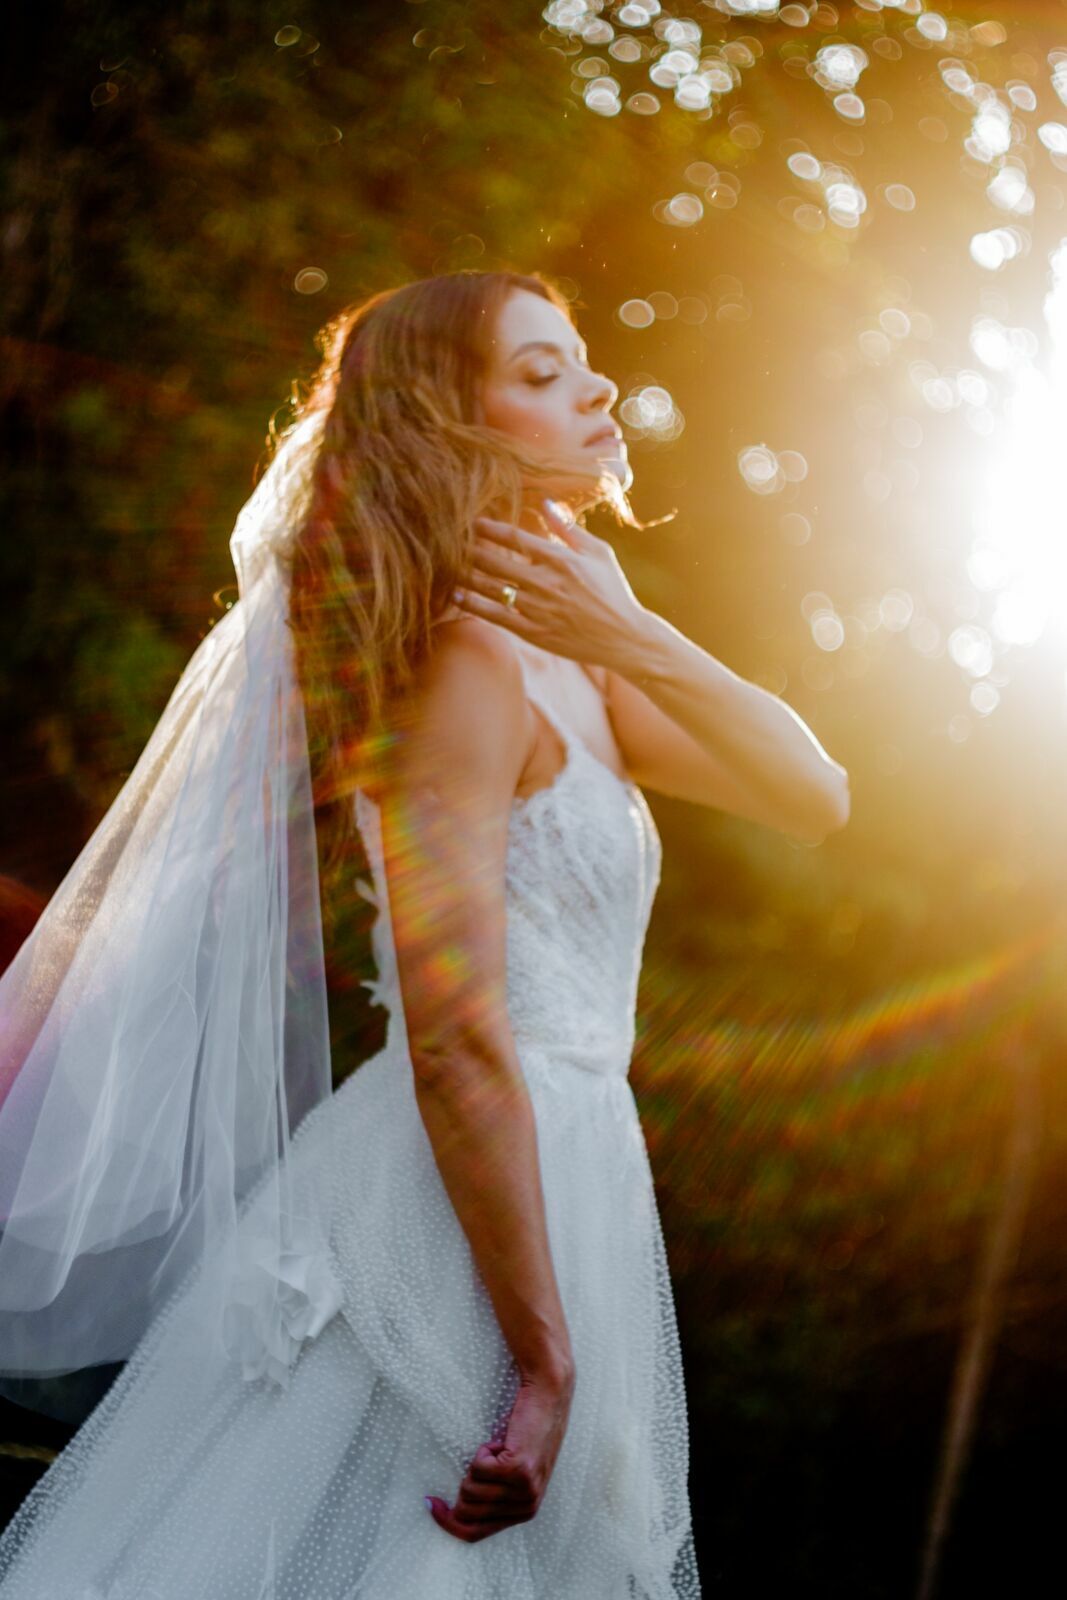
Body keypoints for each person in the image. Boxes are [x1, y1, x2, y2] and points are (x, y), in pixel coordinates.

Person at [0, 269, 848, 1597]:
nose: (599, 389)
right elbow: (456, 1036)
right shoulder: (460, 668)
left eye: (583, 358)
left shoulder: (576, 660)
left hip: (573, 1173)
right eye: (543, 372)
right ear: (452, 425)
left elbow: (815, 793)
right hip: (453, 1211)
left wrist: (632, 632)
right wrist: (544, 1355)